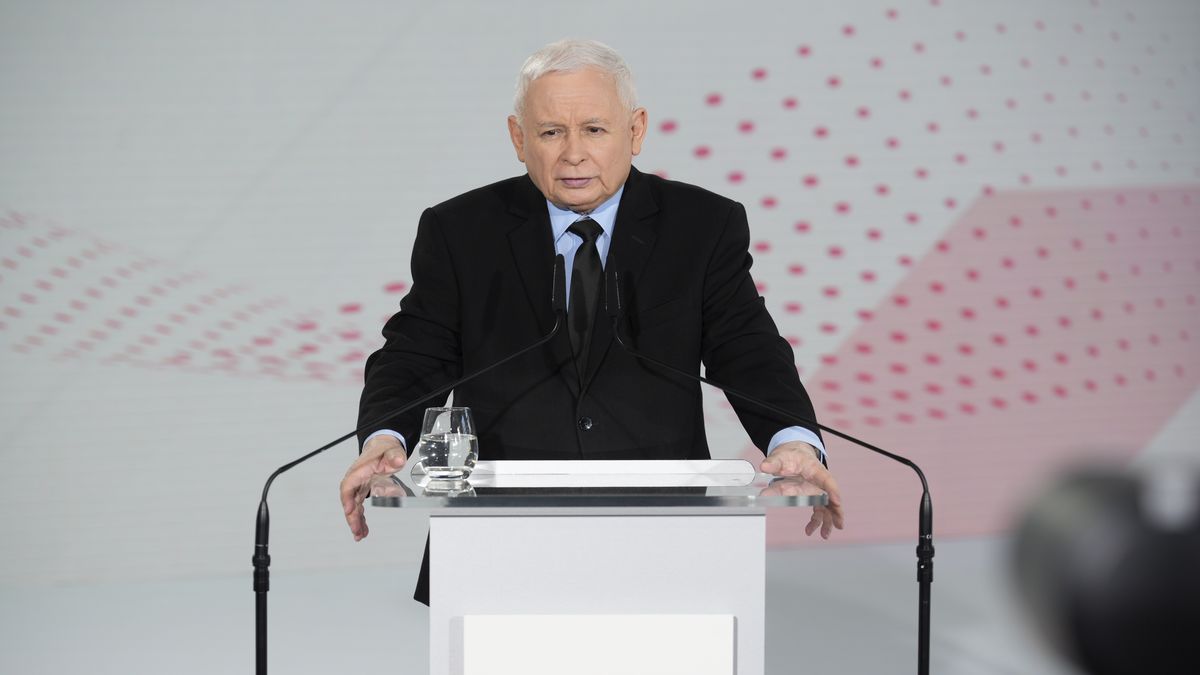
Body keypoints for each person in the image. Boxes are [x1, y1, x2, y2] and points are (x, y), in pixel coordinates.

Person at [339, 39, 844, 599]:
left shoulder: (701, 227)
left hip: (662, 534)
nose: (572, 153)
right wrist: (384, 436)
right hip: (499, 538)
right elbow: (416, 351)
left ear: (636, 130)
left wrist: (793, 438)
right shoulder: (460, 231)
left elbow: (747, 348)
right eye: (551, 131)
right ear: (518, 138)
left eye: (595, 130)